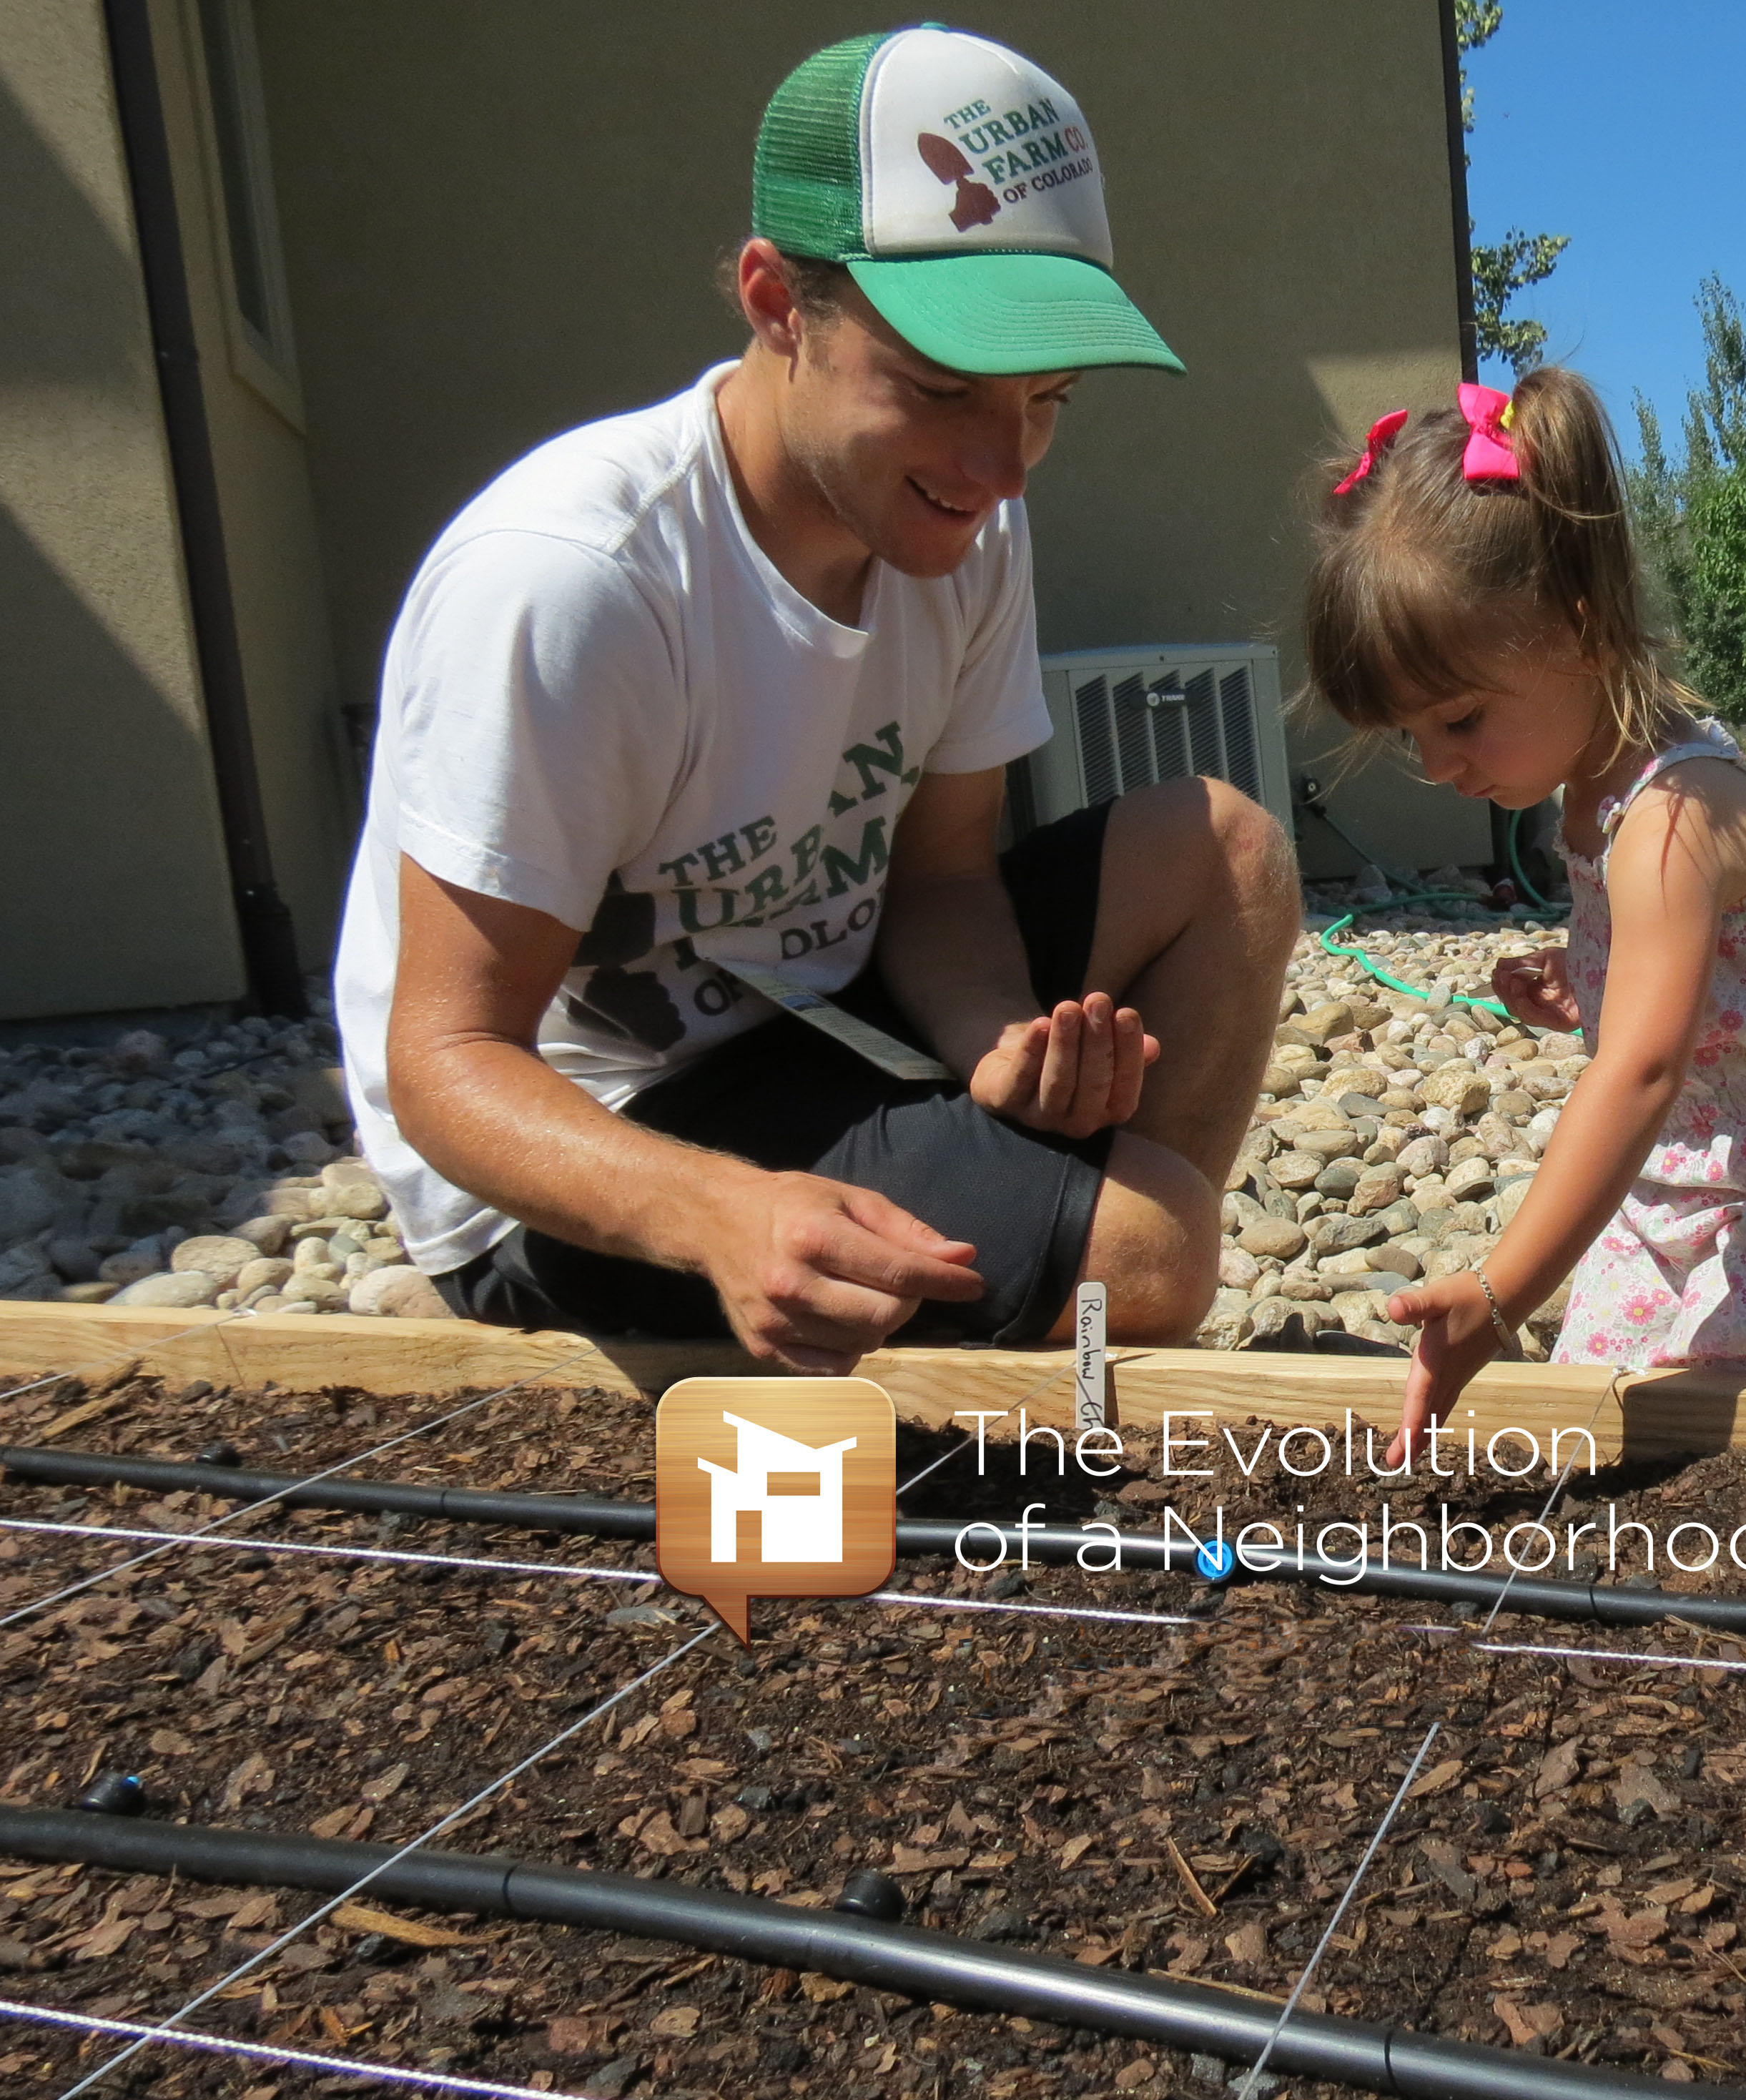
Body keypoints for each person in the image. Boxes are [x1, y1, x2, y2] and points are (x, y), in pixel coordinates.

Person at [336, 26, 1296, 1375]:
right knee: (1155, 1250)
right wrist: (721, 1212)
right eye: (941, 388)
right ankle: (1075, 1319)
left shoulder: (962, 524)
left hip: (820, 1022)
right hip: (595, 1134)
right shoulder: (573, 583)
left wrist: (995, 1043)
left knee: (1227, 854)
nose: (1001, 466)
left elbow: (944, 876)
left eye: (1046, 400)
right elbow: (446, 1061)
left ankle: (1058, 1317)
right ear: (779, 302)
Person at [1302, 370, 1746, 1444]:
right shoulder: (1600, 789)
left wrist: (1497, 1293)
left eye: (1462, 720)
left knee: (1730, 1438)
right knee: (1600, 1403)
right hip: (1706, 1167)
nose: (1437, 764)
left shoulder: (1668, 821)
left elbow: (1645, 1069)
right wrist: (1592, 980)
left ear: (1580, 632)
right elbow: (1717, 982)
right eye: (1410, 736)